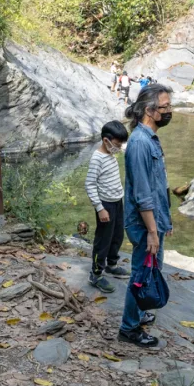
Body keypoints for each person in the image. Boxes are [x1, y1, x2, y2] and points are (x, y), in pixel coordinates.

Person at [118, 83, 174, 348]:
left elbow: (158, 185)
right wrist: (152, 232)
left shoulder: (151, 137)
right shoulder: (140, 143)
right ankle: (129, 328)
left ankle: (139, 313)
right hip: (143, 224)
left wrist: (166, 221)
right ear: (149, 110)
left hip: (155, 220)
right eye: (165, 107)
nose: (169, 111)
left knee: (152, 270)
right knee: (140, 275)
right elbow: (142, 194)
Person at [85, 120, 130, 293]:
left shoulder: (110, 154)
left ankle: (112, 264)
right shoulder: (97, 158)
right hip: (105, 204)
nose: (119, 148)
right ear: (106, 141)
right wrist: (100, 208)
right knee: (103, 239)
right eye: (117, 144)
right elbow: (90, 184)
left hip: (117, 201)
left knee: (117, 234)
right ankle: (95, 274)